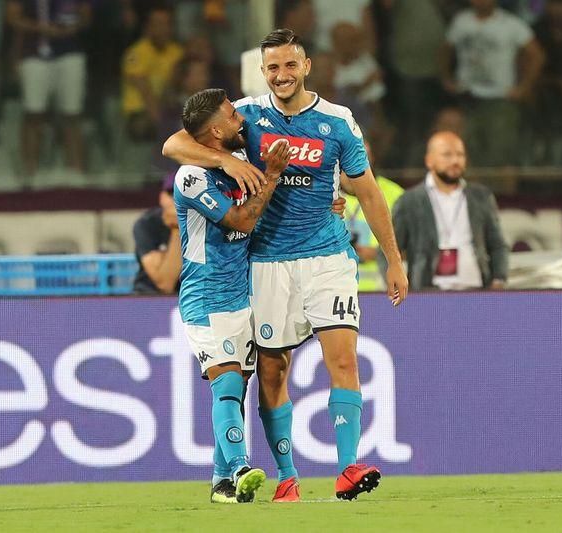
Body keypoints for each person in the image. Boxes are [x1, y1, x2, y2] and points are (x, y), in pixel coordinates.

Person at [163, 29, 408, 502]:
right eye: (272, 67)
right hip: (268, 261)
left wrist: (393, 259)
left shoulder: (338, 121)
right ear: (263, 71)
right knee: (273, 373)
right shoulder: (247, 116)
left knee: (343, 359)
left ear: (306, 67)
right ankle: (287, 477)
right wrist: (226, 162)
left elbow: (369, 191)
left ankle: (347, 468)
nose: (281, 75)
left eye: (290, 65)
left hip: (328, 256)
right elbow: (174, 144)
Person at [173, 88, 291, 503]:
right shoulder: (192, 177)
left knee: (236, 387)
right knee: (225, 381)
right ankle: (241, 466)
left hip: (241, 295)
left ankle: (221, 482)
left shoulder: (238, 159)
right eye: (232, 116)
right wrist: (271, 175)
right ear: (217, 131)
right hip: (205, 297)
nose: (241, 120)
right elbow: (240, 219)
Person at [392, 131, 509, 291]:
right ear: (429, 161)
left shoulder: (481, 197)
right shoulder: (409, 201)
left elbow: (498, 245)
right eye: (447, 155)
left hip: (476, 292)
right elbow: (390, 249)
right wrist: (393, 285)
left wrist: (499, 279)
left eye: (460, 154)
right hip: (426, 294)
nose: (455, 160)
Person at [440, 0, 544, 167]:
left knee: (501, 155)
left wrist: (524, 88)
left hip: (500, 99)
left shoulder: (511, 23)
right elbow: (445, 49)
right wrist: (446, 79)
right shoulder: (461, 21)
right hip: (466, 97)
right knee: (463, 152)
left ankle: (501, 186)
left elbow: (537, 56)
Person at [6, 0, 91, 179]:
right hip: (34, 53)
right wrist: (42, 28)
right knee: (33, 114)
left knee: (72, 114)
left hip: (69, 52)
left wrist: (71, 26)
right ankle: (30, 172)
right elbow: (12, 17)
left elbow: (86, 15)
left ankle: (76, 171)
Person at [341, 140, 403, 291]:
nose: (354, 163)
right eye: (348, 157)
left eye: (361, 157)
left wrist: (378, 254)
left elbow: (413, 246)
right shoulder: (323, 195)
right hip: (336, 287)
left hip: (381, 289)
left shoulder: (396, 194)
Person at [121, 6, 183, 141]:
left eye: (167, 24)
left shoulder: (177, 52)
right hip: (139, 113)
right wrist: (164, 125)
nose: (163, 29)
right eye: (158, 24)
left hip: (168, 108)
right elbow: (147, 94)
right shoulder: (136, 53)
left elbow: (175, 86)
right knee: (143, 127)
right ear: (148, 27)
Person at [132, 175, 182, 295]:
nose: (177, 200)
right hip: (151, 296)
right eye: (172, 194)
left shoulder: (208, 220)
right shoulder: (148, 223)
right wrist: (176, 229)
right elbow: (165, 284)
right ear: (162, 197)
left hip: (194, 296)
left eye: (184, 195)